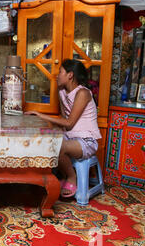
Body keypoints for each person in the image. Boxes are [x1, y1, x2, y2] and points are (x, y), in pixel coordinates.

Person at [25, 59, 101, 198]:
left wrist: (40, 115)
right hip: (70, 137)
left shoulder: (83, 93)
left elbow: (69, 122)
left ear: (70, 75)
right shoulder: (62, 91)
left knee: (57, 145)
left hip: (86, 140)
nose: (57, 75)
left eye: (60, 72)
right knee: (44, 142)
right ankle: (53, 177)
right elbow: (64, 119)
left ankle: (72, 177)